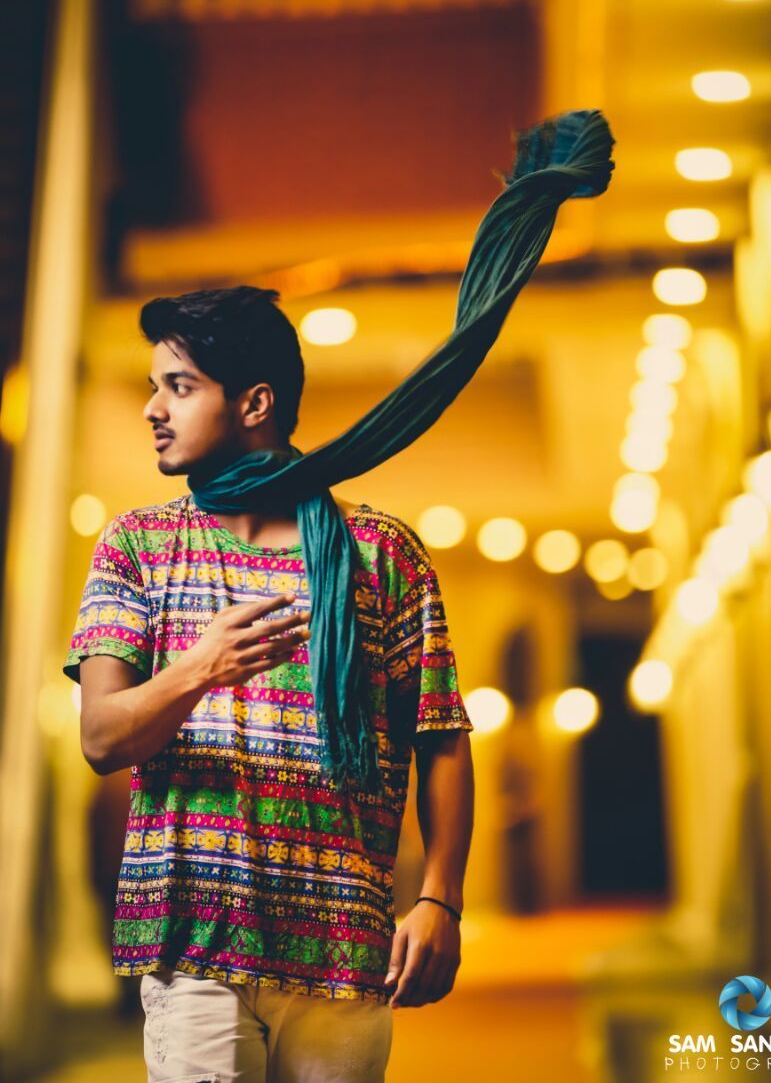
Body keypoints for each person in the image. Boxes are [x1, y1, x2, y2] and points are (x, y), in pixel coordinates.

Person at [64, 285, 475, 1083]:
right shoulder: (137, 546)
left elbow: (441, 738)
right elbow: (102, 737)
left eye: (178, 387)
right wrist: (199, 668)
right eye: (154, 386)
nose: (153, 407)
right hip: (195, 946)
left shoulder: (381, 553)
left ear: (254, 403)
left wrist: (439, 899)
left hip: (344, 946)